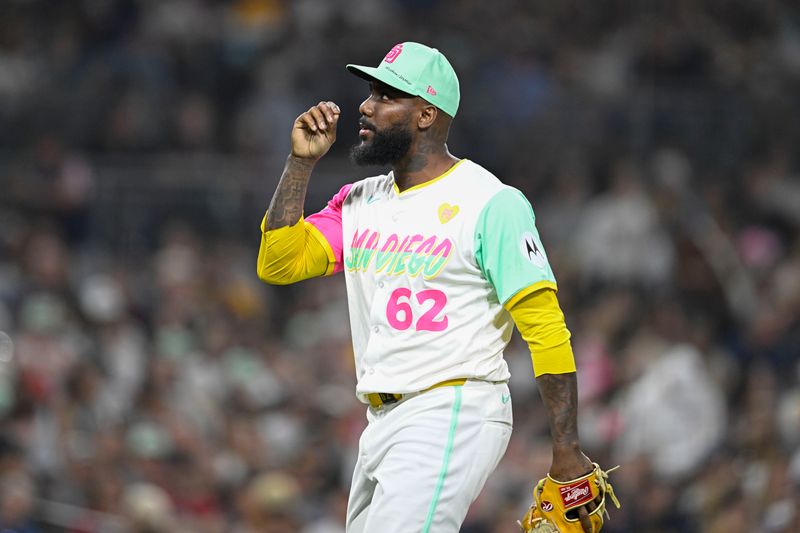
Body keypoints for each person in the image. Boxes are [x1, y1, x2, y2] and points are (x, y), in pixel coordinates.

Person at [257, 42, 597, 533]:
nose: (365, 106)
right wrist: (299, 164)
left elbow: (545, 328)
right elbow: (278, 263)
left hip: (453, 405)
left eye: (385, 95)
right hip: (381, 422)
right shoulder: (359, 201)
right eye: (371, 92)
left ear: (425, 115)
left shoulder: (491, 203)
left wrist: (566, 450)